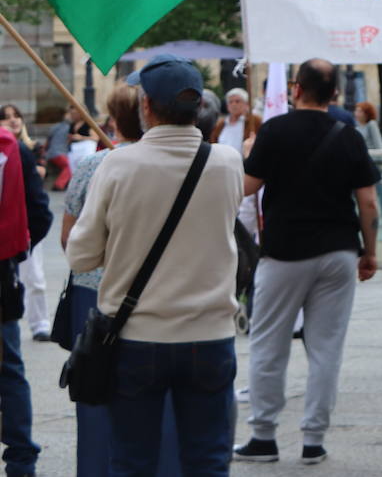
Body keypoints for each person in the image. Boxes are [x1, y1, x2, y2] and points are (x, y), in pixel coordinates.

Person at [66, 55, 243, 475]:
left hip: (137, 338)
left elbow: (81, 256)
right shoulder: (228, 162)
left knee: (133, 461)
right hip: (211, 335)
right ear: (199, 106)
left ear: (146, 105)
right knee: (209, 461)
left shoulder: (117, 165)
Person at [234, 58, 381, 465]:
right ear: (335, 93)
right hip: (337, 251)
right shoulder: (349, 135)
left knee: (268, 342)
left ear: (296, 88)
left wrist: (246, 154)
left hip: (284, 252)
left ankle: (263, 435)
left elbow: (246, 188)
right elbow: (367, 201)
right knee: (326, 347)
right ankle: (313, 439)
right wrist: (369, 252)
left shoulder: (274, 131)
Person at [62, 85, 181, 477]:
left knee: (95, 388)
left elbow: (69, 237)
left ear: (114, 119)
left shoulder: (94, 166)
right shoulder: (170, 163)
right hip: (153, 294)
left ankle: (96, 469)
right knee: (156, 395)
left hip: (93, 293)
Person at [0, 116, 48, 477]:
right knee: (10, 370)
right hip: (1, 273)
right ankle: (20, 461)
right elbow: (40, 213)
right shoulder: (12, 148)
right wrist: (16, 251)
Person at [1, 106, 49, 342]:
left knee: (35, 278)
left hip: (26, 227)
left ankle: (39, 323)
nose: (12, 121)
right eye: (6, 117)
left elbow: (40, 175)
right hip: (7, 231)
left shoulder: (28, 148)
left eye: (15, 116)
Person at [211, 87, 263, 241]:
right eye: (231, 102)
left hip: (244, 172)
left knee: (246, 212)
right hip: (223, 173)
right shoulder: (221, 124)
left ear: (246, 104)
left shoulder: (254, 122)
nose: (234, 105)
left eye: (238, 101)